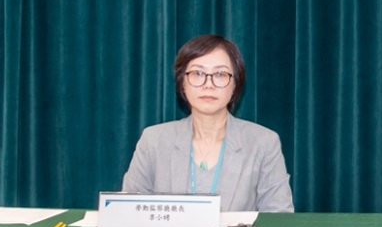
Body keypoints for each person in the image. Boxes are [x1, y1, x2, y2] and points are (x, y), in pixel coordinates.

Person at [122, 34, 294, 213]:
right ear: (182, 83)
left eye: (220, 74)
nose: (208, 84)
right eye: (198, 73)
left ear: (235, 85)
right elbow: (128, 213)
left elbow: (279, 218)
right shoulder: (153, 140)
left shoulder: (263, 143)